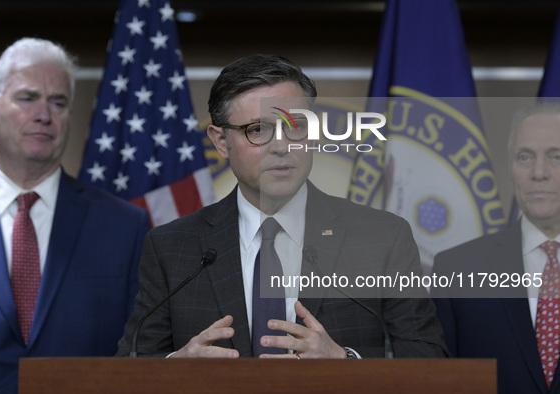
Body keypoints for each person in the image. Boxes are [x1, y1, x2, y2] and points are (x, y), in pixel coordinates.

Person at [116, 54, 447, 359]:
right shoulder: (172, 248)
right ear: (221, 141)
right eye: (257, 130)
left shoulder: (383, 238)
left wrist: (346, 363)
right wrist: (175, 367)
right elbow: (128, 367)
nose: (281, 146)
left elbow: (431, 362)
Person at [0, 38, 150, 393]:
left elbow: (141, 350)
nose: (43, 114)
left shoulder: (124, 226)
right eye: (27, 98)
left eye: (58, 102)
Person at [432, 103, 560, 393]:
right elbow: (439, 381)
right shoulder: (456, 269)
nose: (538, 172)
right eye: (525, 157)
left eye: (557, 157)